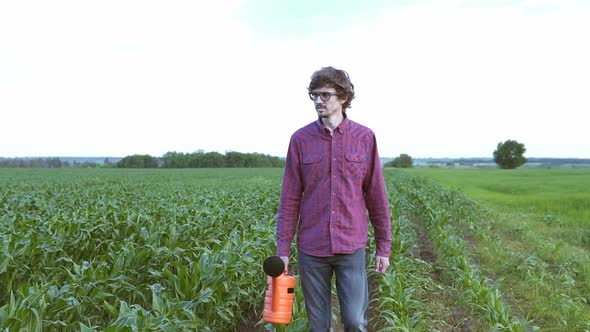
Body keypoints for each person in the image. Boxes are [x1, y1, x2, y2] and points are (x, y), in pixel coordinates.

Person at [276, 66, 392, 331]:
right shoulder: (300, 140)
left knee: (354, 321)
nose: (319, 100)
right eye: (315, 95)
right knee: (319, 326)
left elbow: (376, 194)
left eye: (326, 95)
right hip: (312, 248)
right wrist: (283, 249)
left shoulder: (364, 138)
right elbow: (290, 199)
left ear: (343, 97)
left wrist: (383, 246)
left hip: (351, 245)